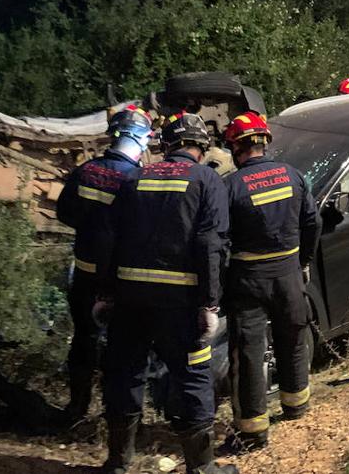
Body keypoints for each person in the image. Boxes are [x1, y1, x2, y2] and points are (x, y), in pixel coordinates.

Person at [94, 112, 232, 474]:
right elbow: (210, 244)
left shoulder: (133, 177)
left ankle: (118, 462)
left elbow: (108, 239)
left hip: (129, 302)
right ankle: (202, 468)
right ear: (201, 147)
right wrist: (211, 302)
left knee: (125, 373)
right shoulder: (207, 180)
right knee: (192, 376)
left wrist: (105, 293)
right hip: (181, 305)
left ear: (165, 144)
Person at [220, 111, 320, 452]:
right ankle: (296, 406)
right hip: (289, 273)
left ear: (236, 147)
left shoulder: (230, 187)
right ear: (264, 142)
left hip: (248, 280)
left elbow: (219, 240)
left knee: (249, 354)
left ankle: (253, 431)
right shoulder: (293, 175)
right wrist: (303, 260)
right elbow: (313, 223)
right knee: (293, 338)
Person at [55, 104, 152, 420]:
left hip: (83, 276)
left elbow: (64, 214)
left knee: (84, 339)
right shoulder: (134, 179)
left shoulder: (85, 171)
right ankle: (116, 413)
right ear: (139, 139)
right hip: (119, 281)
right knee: (122, 346)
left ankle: (77, 407)